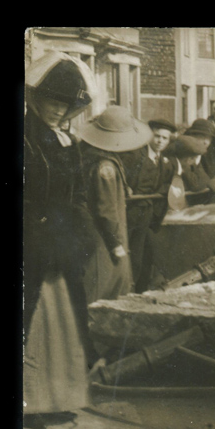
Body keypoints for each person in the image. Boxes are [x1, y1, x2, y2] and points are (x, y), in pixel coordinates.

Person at [23, 53, 99, 428]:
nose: (58, 110)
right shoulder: (26, 139)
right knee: (32, 320)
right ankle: (30, 404)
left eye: (65, 104)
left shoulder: (69, 142)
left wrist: (81, 228)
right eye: (53, 101)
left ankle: (57, 399)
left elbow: (79, 193)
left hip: (63, 242)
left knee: (64, 320)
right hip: (32, 242)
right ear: (36, 99)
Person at [79, 106, 151, 306]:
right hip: (105, 242)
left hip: (95, 237)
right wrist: (116, 243)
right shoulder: (106, 167)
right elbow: (106, 210)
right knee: (106, 291)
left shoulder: (93, 158)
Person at [123, 119, 178, 291]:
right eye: (157, 136)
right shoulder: (134, 156)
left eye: (164, 138)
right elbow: (121, 175)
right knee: (124, 257)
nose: (160, 141)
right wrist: (126, 187)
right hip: (127, 212)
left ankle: (135, 292)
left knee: (140, 259)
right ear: (149, 136)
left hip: (146, 216)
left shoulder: (167, 164)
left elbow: (168, 186)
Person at [171, 119, 215, 204]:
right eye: (202, 137)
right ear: (192, 136)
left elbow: (205, 181)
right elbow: (196, 185)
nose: (206, 142)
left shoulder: (202, 155)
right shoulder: (183, 152)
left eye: (209, 138)